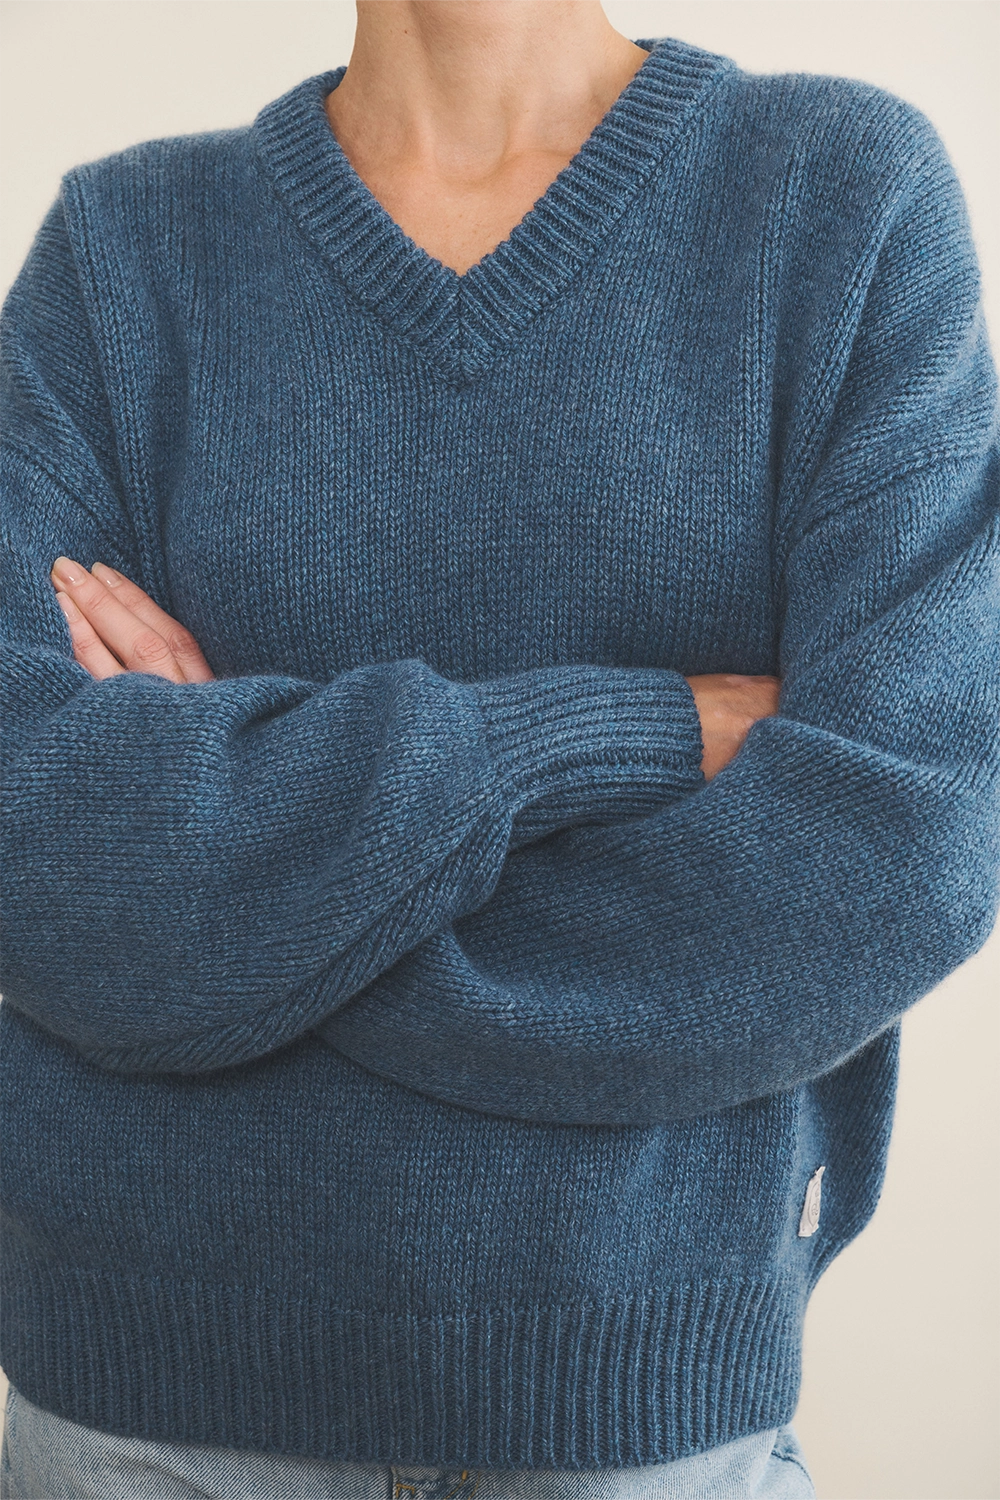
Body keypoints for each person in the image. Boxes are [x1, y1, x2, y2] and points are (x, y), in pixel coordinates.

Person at [0, 0, 997, 1494]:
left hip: (641, 1413)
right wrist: (620, 730)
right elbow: (35, 851)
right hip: (147, 1422)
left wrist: (243, 872)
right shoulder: (119, 252)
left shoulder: (838, 197)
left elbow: (898, 843)